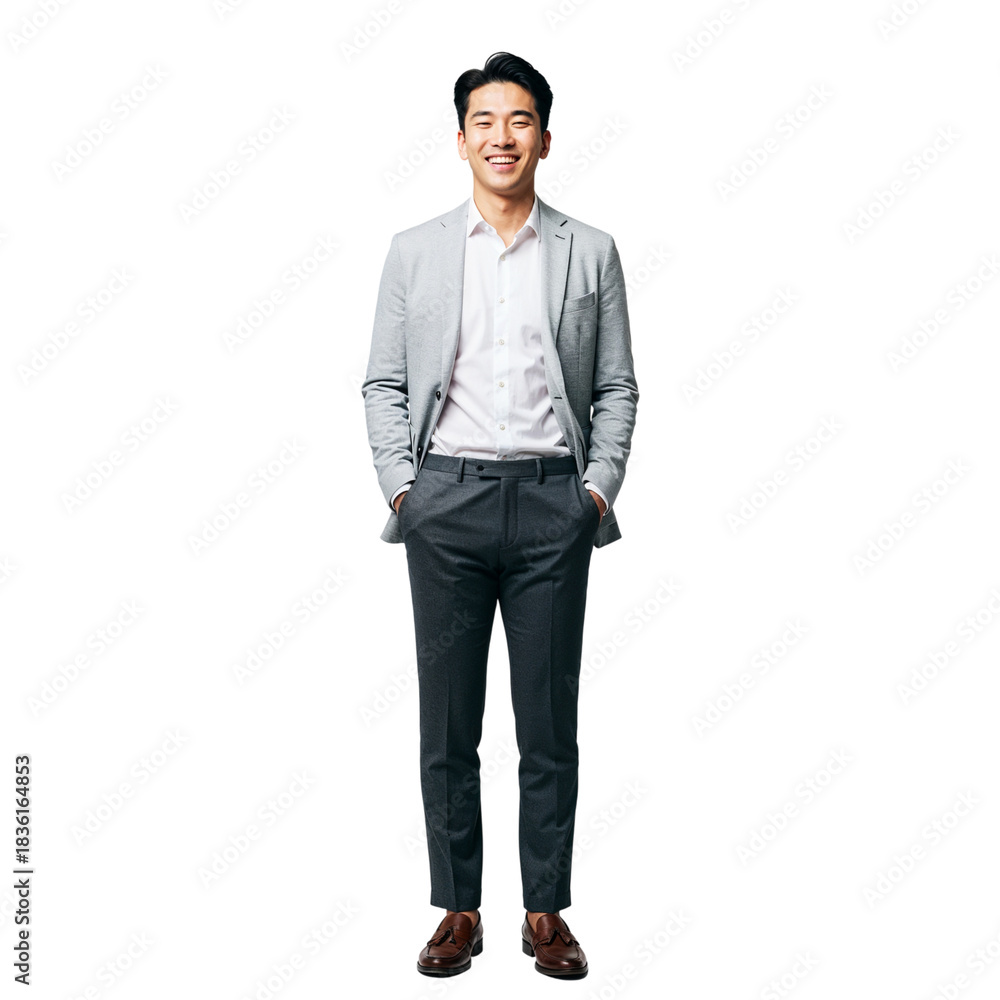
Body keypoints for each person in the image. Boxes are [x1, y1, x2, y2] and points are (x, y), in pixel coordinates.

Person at [362, 51, 638, 979]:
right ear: (460, 139)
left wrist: (594, 491)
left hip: (554, 507)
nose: (502, 137)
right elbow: (383, 382)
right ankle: (459, 909)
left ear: (545, 139)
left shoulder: (589, 250)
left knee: (547, 724)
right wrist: (405, 490)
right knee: (448, 726)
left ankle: (545, 912)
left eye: (519, 120)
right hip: (446, 506)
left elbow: (616, 385)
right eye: (485, 121)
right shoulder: (416, 251)